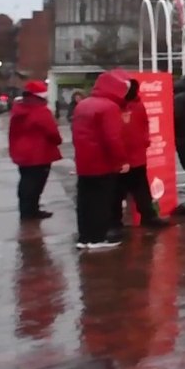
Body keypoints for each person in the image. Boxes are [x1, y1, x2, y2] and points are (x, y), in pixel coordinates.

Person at [70, 71, 131, 250]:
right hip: (102, 163)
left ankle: (85, 237)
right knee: (101, 201)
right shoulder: (109, 107)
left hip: (84, 161)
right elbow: (113, 138)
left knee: (85, 201)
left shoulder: (82, 105)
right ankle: (98, 238)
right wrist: (122, 161)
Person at [109, 76, 170, 234]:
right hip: (119, 159)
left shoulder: (138, 106)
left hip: (137, 157)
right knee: (116, 192)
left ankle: (148, 217)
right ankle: (115, 222)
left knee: (142, 190)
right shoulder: (112, 107)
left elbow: (145, 125)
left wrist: (145, 141)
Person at [8, 80, 62, 221]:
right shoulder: (40, 111)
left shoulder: (18, 109)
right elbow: (52, 132)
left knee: (26, 181)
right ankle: (31, 211)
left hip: (21, 152)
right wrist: (58, 141)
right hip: (39, 153)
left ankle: (26, 210)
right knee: (36, 183)